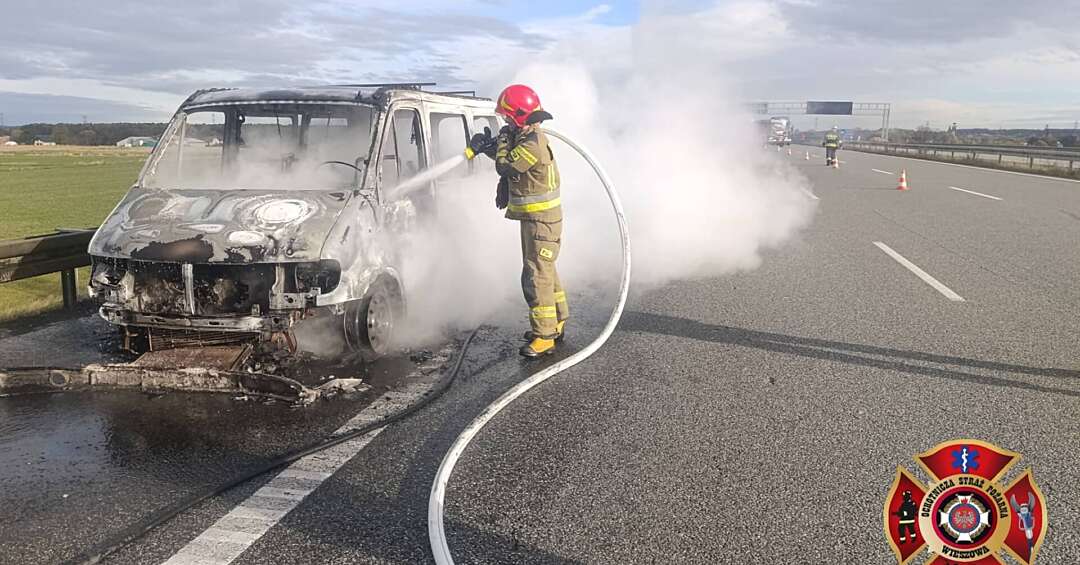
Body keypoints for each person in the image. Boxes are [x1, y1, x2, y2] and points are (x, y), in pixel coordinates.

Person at [466, 84, 567, 357]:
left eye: (509, 119)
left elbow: (506, 165)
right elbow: (510, 156)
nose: (506, 123)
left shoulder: (534, 143)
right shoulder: (526, 137)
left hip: (541, 222)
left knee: (536, 276)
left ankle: (544, 336)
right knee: (546, 271)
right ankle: (556, 322)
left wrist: (500, 140)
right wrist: (487, 147)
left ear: (520, 116)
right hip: (537, 220)